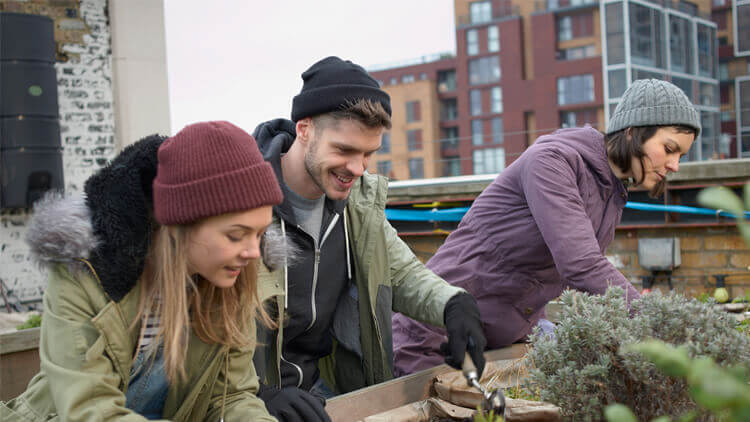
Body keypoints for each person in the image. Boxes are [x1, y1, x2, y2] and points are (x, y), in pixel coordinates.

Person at [391, 78, 701, 375]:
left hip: (499, 341)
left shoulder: (611, 191)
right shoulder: (553, 161)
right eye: (669, 148)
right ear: (633, 132)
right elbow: (580, 263)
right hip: (436, 334)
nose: (674, 165)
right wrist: (657, 324)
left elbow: (550, 276)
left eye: (681, 156)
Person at [251, 56, 487, 422]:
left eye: (368, 154)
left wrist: (454, 305)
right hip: (246, 400)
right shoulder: (244, 201)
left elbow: (404, 273)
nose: (358, 169)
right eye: (344, 150)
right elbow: (198, 325)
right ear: (305, 129)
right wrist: (256, 396)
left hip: (320, 392)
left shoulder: (356, 205)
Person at [0, 121, 282, 421]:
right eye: (236, 235)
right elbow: (92, 411)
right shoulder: (84, 275)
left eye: (260, 233)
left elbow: (233, 397)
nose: (253, 252)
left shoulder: (233, 279)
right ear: (180, 225)